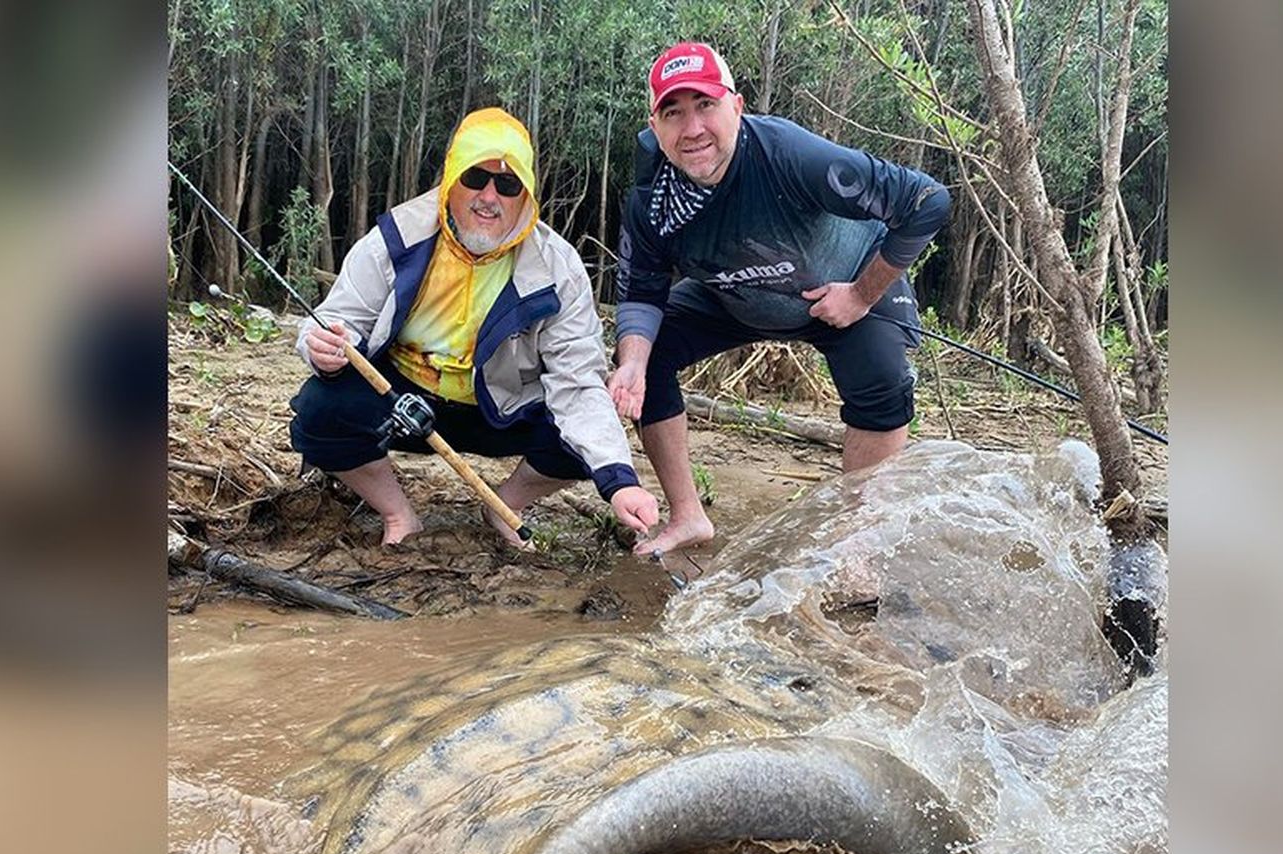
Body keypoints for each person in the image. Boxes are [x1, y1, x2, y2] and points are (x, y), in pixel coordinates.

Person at [610, 42, 951, 555]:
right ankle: (688, 516)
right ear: (655, 126)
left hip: (841, 293)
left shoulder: (790, 155)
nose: (693, 128)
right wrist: (632, 363)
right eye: (673, 113)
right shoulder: (651, 198)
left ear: (737, 107)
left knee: (882, 381)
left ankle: (858, 543)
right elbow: (642, 289)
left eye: (706, 105)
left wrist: (861, 294)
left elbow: (926, 201)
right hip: (731, 295)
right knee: (647, 352)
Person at [290, 107, 659, 547]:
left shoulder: (559, 268)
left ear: (525, 194)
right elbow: (338, 321)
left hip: (501, 410)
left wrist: (620, 482)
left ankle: (505, 506)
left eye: (507, 184)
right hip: (401, 402)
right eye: (474, 178)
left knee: (581, 440)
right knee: (319, 411)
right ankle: (398, 513)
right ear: (450, 180)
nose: (489, 196)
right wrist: (324, 350)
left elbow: (578, 383)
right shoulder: (396, 236)